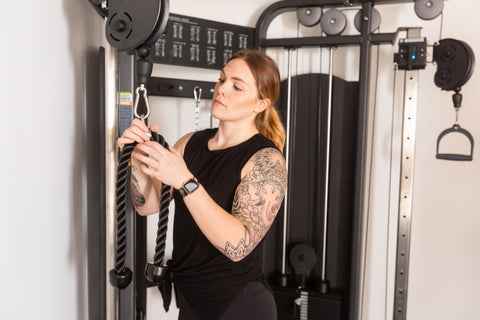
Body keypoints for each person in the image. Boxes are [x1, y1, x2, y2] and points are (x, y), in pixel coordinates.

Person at [118, 49, 287, 320]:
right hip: (192, 299)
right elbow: (147, 206)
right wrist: (135, 158)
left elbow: (238, 245)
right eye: (221, 80)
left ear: (260, 104)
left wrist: (185, 181)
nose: (221, 90)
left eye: (236, 87)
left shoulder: (266, 160)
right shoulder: (191, 143)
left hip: (240, 303)